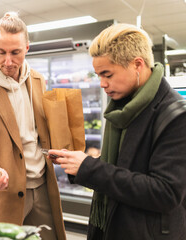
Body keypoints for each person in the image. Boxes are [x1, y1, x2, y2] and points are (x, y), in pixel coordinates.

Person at [48, 23, 186, 240]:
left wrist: (89, 168)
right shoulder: (123, 107)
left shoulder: (175, 116)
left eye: (107, 74)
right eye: (98, 75)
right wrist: (76, 165)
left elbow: (165, 193)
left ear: (137, 65)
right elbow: (126, 164)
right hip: (112, 226)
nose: (102, 84)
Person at [0, 11, 66, 240]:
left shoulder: (38, 81)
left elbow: (42, 135)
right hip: (4, 196)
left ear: (27, 48)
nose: (8, 61)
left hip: (42, 187)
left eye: (15, 53)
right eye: (1, 52)